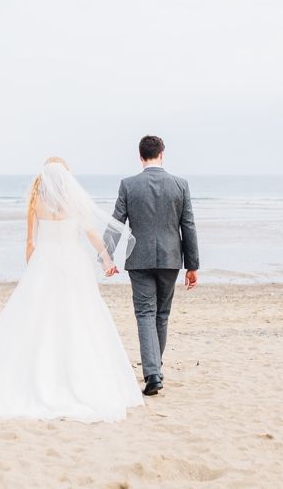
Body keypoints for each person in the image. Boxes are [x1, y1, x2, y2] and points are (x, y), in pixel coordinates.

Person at [0, 157, 144, 421]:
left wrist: (31, 268)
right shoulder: (74, 203)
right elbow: (92, 234)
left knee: (36, 318)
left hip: (45, 263)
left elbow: (29, 242)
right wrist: (106, 260)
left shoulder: (35, 203)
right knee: (80, 317)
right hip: (73, 264)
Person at [106, 135, 200, 396]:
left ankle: (152, 373)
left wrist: (107, 255)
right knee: (161, 314)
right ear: (162, 153)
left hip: (140, 259)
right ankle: (154, 368)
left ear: (140, 156)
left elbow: (116, 222)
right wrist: (192, 265)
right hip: (171, 258)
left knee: (145, 314)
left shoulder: (129, 185)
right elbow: (188, 226)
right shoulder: (180, 185)